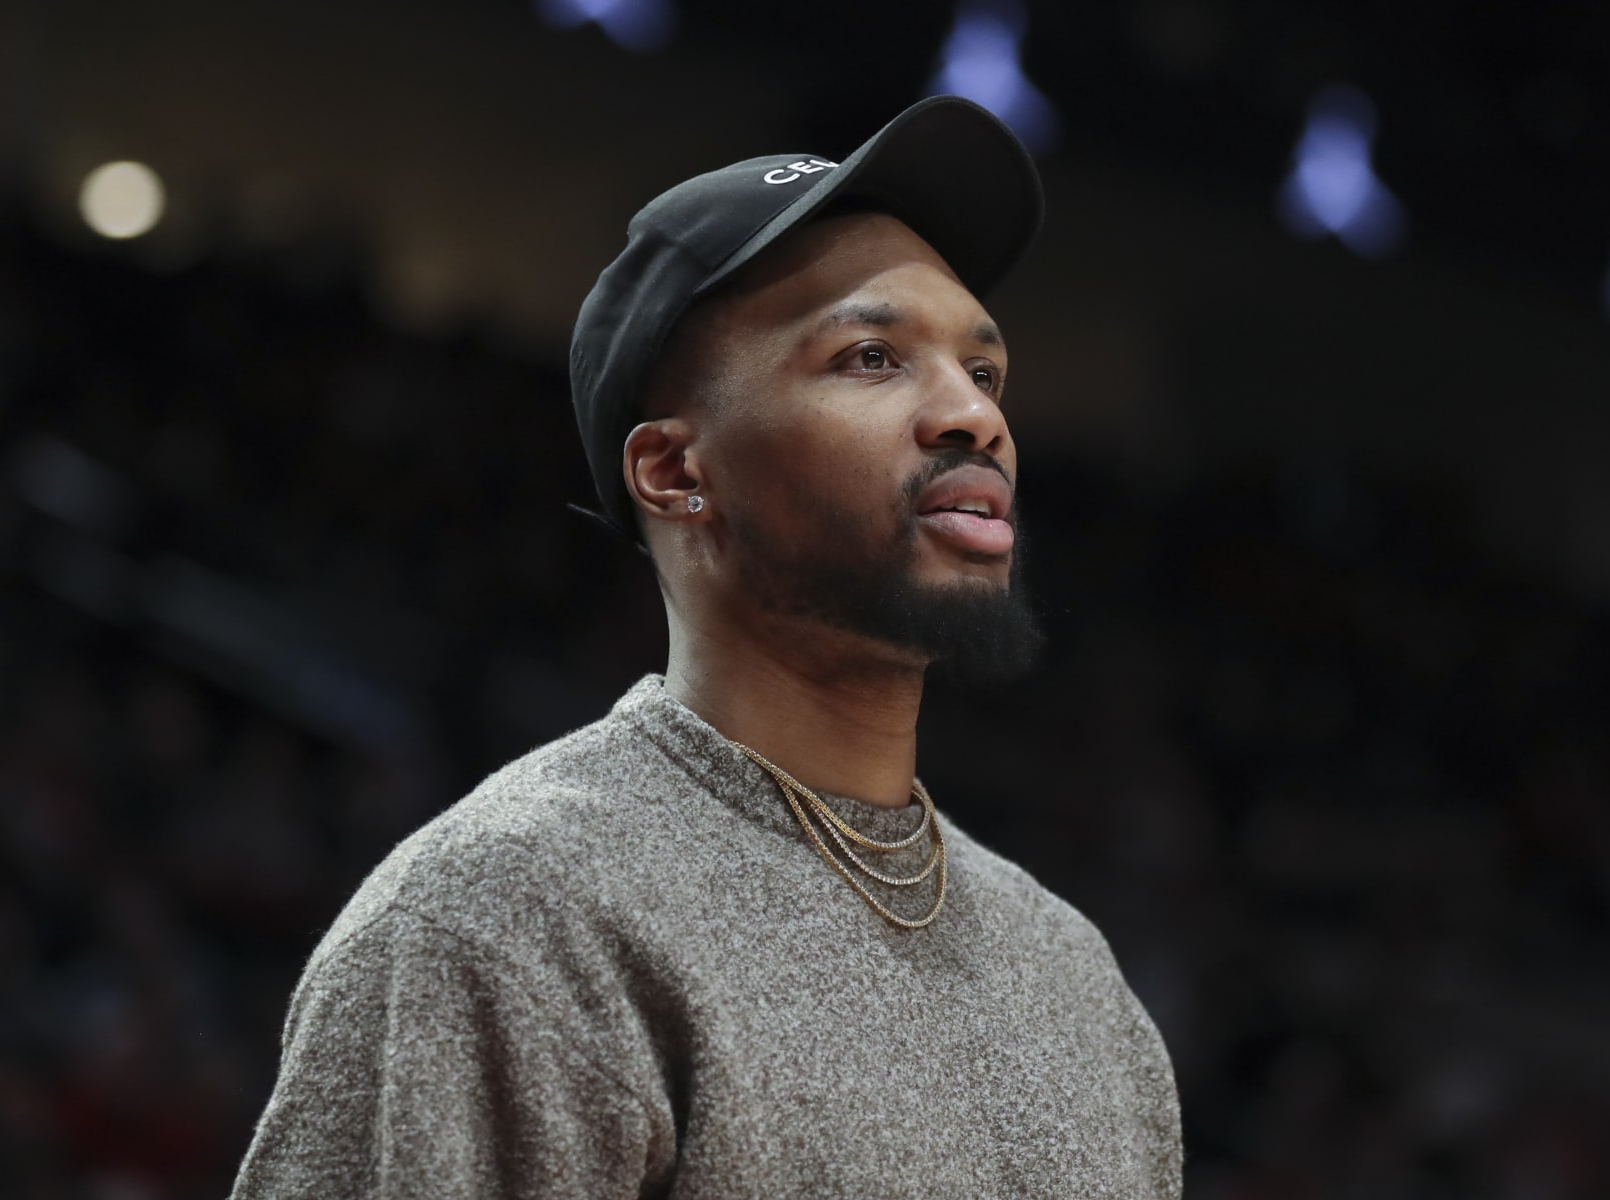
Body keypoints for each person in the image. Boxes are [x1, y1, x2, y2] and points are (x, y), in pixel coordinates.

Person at [232, 96, 1182, 1198]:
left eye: (984, 371)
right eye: (872, 356)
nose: (973, 415)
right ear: (678, 474)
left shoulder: (1075, 979)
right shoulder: (512, 916)